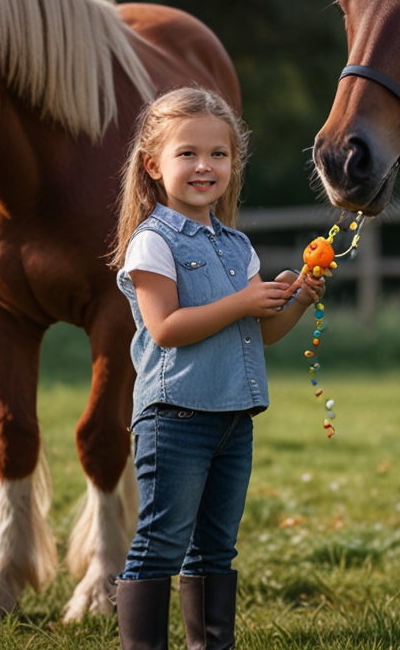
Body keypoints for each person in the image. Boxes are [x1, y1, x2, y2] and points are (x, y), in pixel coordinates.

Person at [109, 87, 324, 650]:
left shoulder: (236, 247)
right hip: (175, 418)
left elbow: (263, 332)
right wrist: (242, 304)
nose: (205, 166)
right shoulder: (151, 243)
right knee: (160, 542)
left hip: (234, 419)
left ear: (234, 162)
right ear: (153, 165)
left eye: (219, 154)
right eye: (188, 154)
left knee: (215, 549)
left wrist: (295, 299)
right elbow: (166, 327)